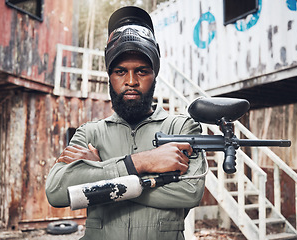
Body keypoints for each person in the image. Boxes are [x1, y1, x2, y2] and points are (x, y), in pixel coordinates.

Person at [45, 6, 206, 240]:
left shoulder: (181, 129)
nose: (131, 81)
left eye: (141, 71)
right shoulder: (89, 134)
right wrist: (143, 162)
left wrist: (100, 173)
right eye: (120, 71)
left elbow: (190, 192)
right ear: (109, 76)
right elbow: (57, 191)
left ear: (154, 75)